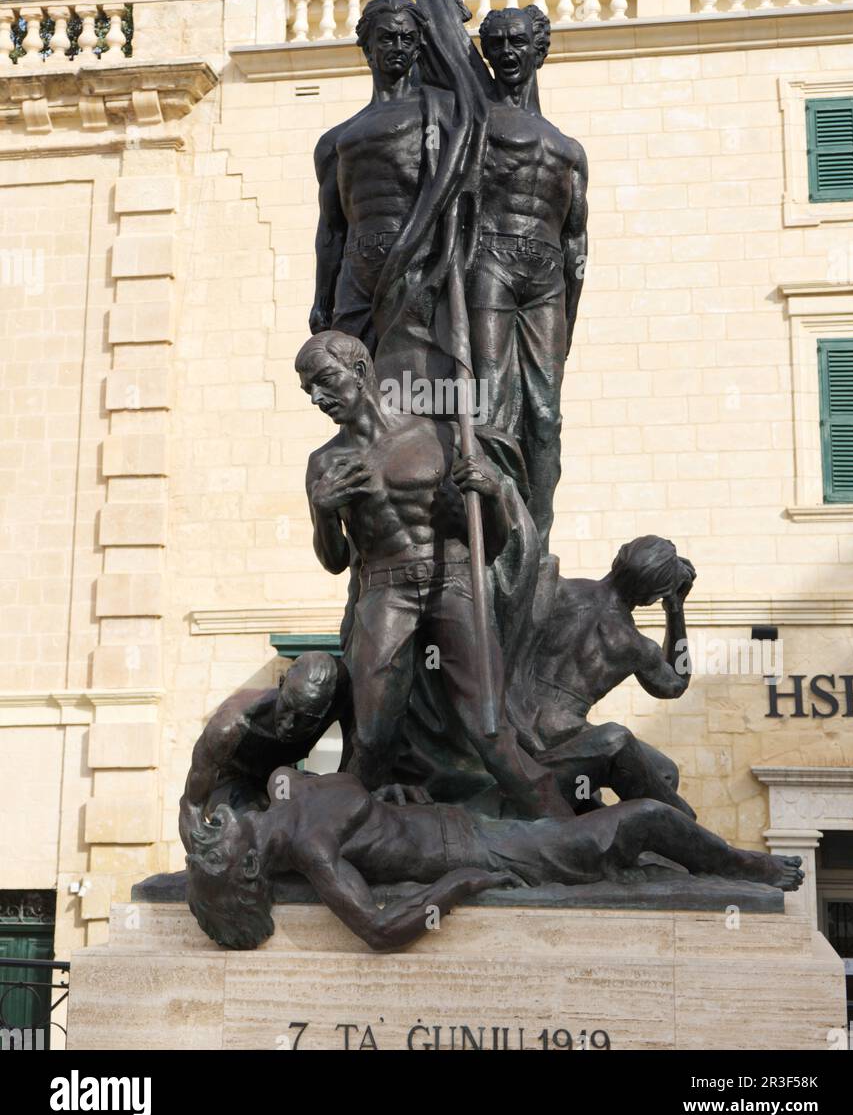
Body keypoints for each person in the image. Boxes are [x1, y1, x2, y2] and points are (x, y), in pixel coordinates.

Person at [296, 328, 573, 819]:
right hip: (384, 587)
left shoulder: (441, 435)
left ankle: (566, 830)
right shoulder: (325, 462)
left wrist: (487, 494)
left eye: (324, 381)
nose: (317, 398)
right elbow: (336, 560)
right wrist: (322, 511)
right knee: (375, 733)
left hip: (454, 579)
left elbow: (493, 542)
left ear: (359, 372)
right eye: (308, 389)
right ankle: (344, 836)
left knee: (488, 728)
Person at [185, 765, 804, 952]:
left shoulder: (282, 784)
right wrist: (457, 884)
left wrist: (383, 797)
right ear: (245, 867)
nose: (217, 821)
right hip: (485, 847)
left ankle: (688, 862)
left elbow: (348, 789)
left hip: (469, 813)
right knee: (642, 816)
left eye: (210, 826)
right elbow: (377, 930)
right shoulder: (315, 853)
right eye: (217, 838)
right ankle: (746, 867)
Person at [467, 5, 588, 549]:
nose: (509, 53)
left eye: (519, 43)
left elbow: (576, 239)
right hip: (491, 262)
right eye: (497, 45)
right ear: (487, 55)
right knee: (489, 401)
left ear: (540, 49)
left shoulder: (569, 148)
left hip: (548, 281)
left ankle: (533, 541)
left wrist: (570, 319)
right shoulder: (476, 122)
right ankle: (491, 527)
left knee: (545, 417)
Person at [525, 536, 698, 816]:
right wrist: (675, 610)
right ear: (653, 597)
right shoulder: (633, 644)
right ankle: (629, 836)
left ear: (618, 559)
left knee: (588, 792)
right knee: (664, 773)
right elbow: (675, 684)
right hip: (564, 730)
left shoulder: (560, 589)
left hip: (522, 711)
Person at [310, 0, 429, 353]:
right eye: (387, 38)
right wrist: (322, 298)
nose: (398, 46)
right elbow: (331, 229)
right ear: (366, 46)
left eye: (407, 39)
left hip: (417, 261)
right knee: (355, 377)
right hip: (357, 269)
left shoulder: (440, 115)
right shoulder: (336, 141)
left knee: (416, 382)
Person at [178, 651, 351, 852]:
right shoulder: (228, 727)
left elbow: (357, 749)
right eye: (286, 708)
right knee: (257, 833)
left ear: (328, 710)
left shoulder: (337, 702)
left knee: (317, 820)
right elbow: (191, 805)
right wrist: (200, 865)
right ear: (281, 683)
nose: (289, 725)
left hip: (280, 778)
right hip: (230, 784)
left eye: (305, 719)